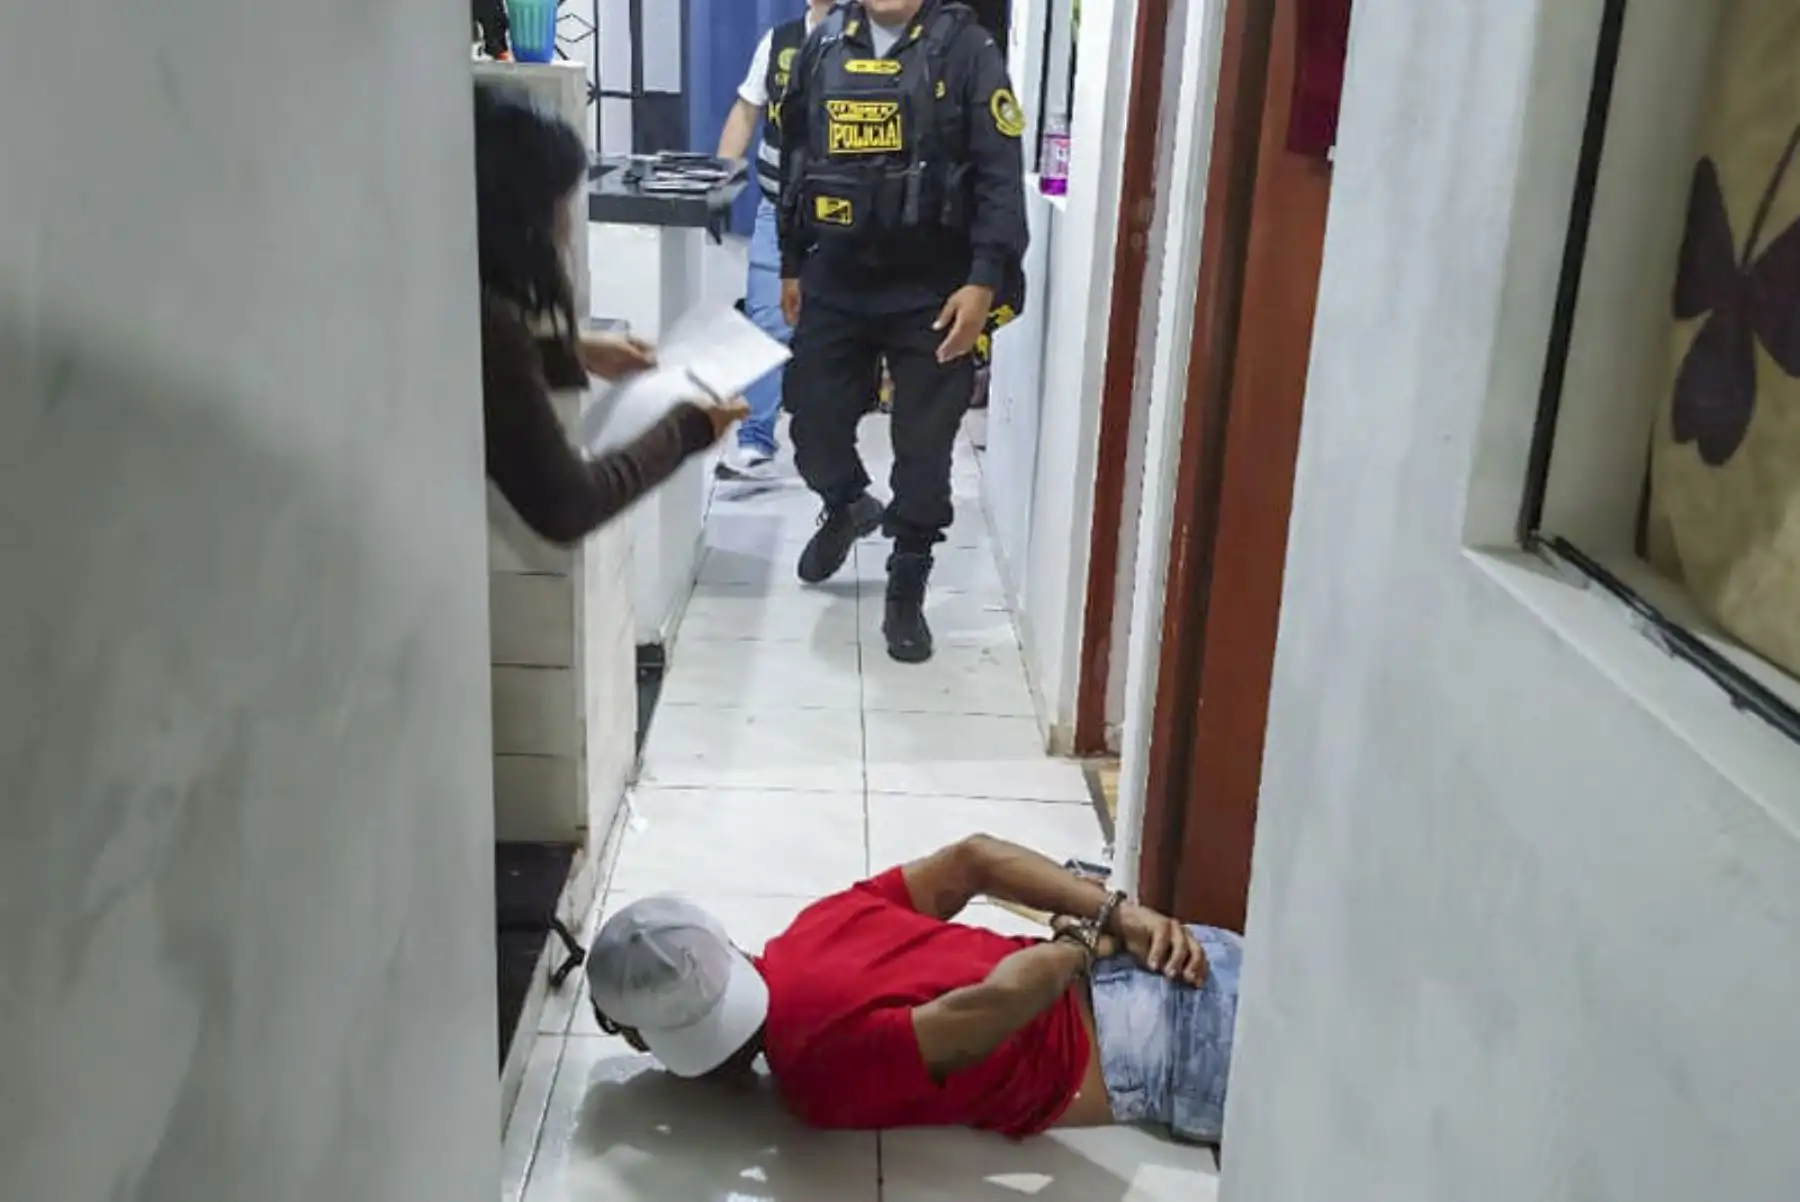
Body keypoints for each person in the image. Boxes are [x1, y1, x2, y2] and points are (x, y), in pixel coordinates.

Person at [586, 833, 1241, 1145]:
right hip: (1184, 958)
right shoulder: (815, 924)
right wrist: (1120, 914)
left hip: (1176, 1054)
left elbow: (988, 1010)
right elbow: (974, 858)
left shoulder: (814, 1072)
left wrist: (1073, 945)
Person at [776, 0, 1029, 663]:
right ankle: (846, 504)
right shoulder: (823, 44)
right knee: (812, 420)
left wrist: (983, 279)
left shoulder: (969, 49)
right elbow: (796, 155)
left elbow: (1001, 176)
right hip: (836, 277)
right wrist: (789, 260)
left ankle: (907, 581)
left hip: (932, 288)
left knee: (923, 446)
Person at [475, 82, 747, 545]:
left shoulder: (448, 290)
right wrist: (689, 427)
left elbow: (473, 371)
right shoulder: (490, 320)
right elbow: (568, 503)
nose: (564, 226)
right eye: (558, 205)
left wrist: (571, 353)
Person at [713, 0, 839, 480]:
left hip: (851, 218)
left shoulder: (875, 42)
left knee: (840, 330)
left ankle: (834, 446)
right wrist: (718, 181)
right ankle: (756, 441)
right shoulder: (780, 41)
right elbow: (747, 111)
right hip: (779, 212)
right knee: (767, 320)